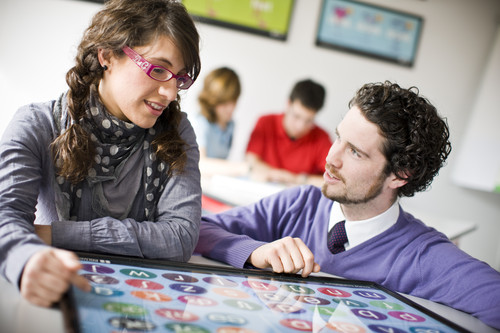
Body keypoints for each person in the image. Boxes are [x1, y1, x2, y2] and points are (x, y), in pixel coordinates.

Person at [196, 81, 500, 330]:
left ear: (400, 175)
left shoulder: (422, 255)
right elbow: (199, 229)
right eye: (339, 137)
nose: (330, 158)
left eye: (354, 152)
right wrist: (254, 252)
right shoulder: (299, 204)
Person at [0, 0, 202, 307]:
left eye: (180, 77)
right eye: (159, 69)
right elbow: (5, 218)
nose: (171, 93)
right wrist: (26, 260)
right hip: (55, 299)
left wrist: (54, 235)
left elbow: (179, 237)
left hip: (143, 305)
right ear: (107, 55)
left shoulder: (177, 131)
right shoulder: (37, 124)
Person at [246, 79, 332, 187]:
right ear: (288, 104)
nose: (300, 126)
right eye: (296, 116)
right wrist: (282, 176)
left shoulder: (321, 138)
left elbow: (333, 179)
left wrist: (299, 179)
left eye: (309, 120)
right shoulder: (265, 122)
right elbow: (251, 162)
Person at [191, 67, 248, 177]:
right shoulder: (199, 122)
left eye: (234, 101)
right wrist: (243, 168)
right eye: (224, 103)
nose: (230, 108)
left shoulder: (230, 125)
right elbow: (200, 164)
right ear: (213, 100)